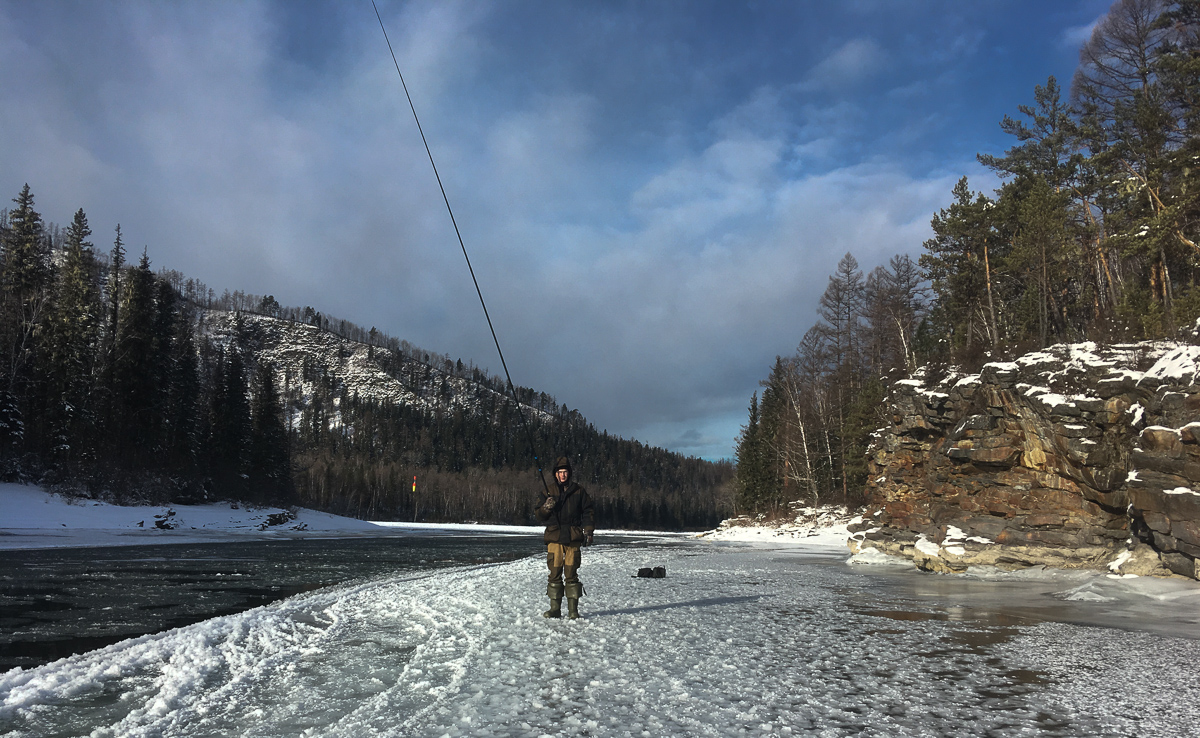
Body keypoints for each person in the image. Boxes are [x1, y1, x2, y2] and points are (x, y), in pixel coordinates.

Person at [535, 456, 595, 619]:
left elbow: (588, 511)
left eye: (565, 472)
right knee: (554, 573)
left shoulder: (579, 491)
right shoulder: (548, 491)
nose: (563, 475)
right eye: (560, 472)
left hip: (573, 537)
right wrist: (546, 507)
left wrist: (588, 531)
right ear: (556, 474)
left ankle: (573, 611)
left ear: (569, 473)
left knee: (571, 573)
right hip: (554, 537)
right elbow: (539, 515)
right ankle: (555, 609)